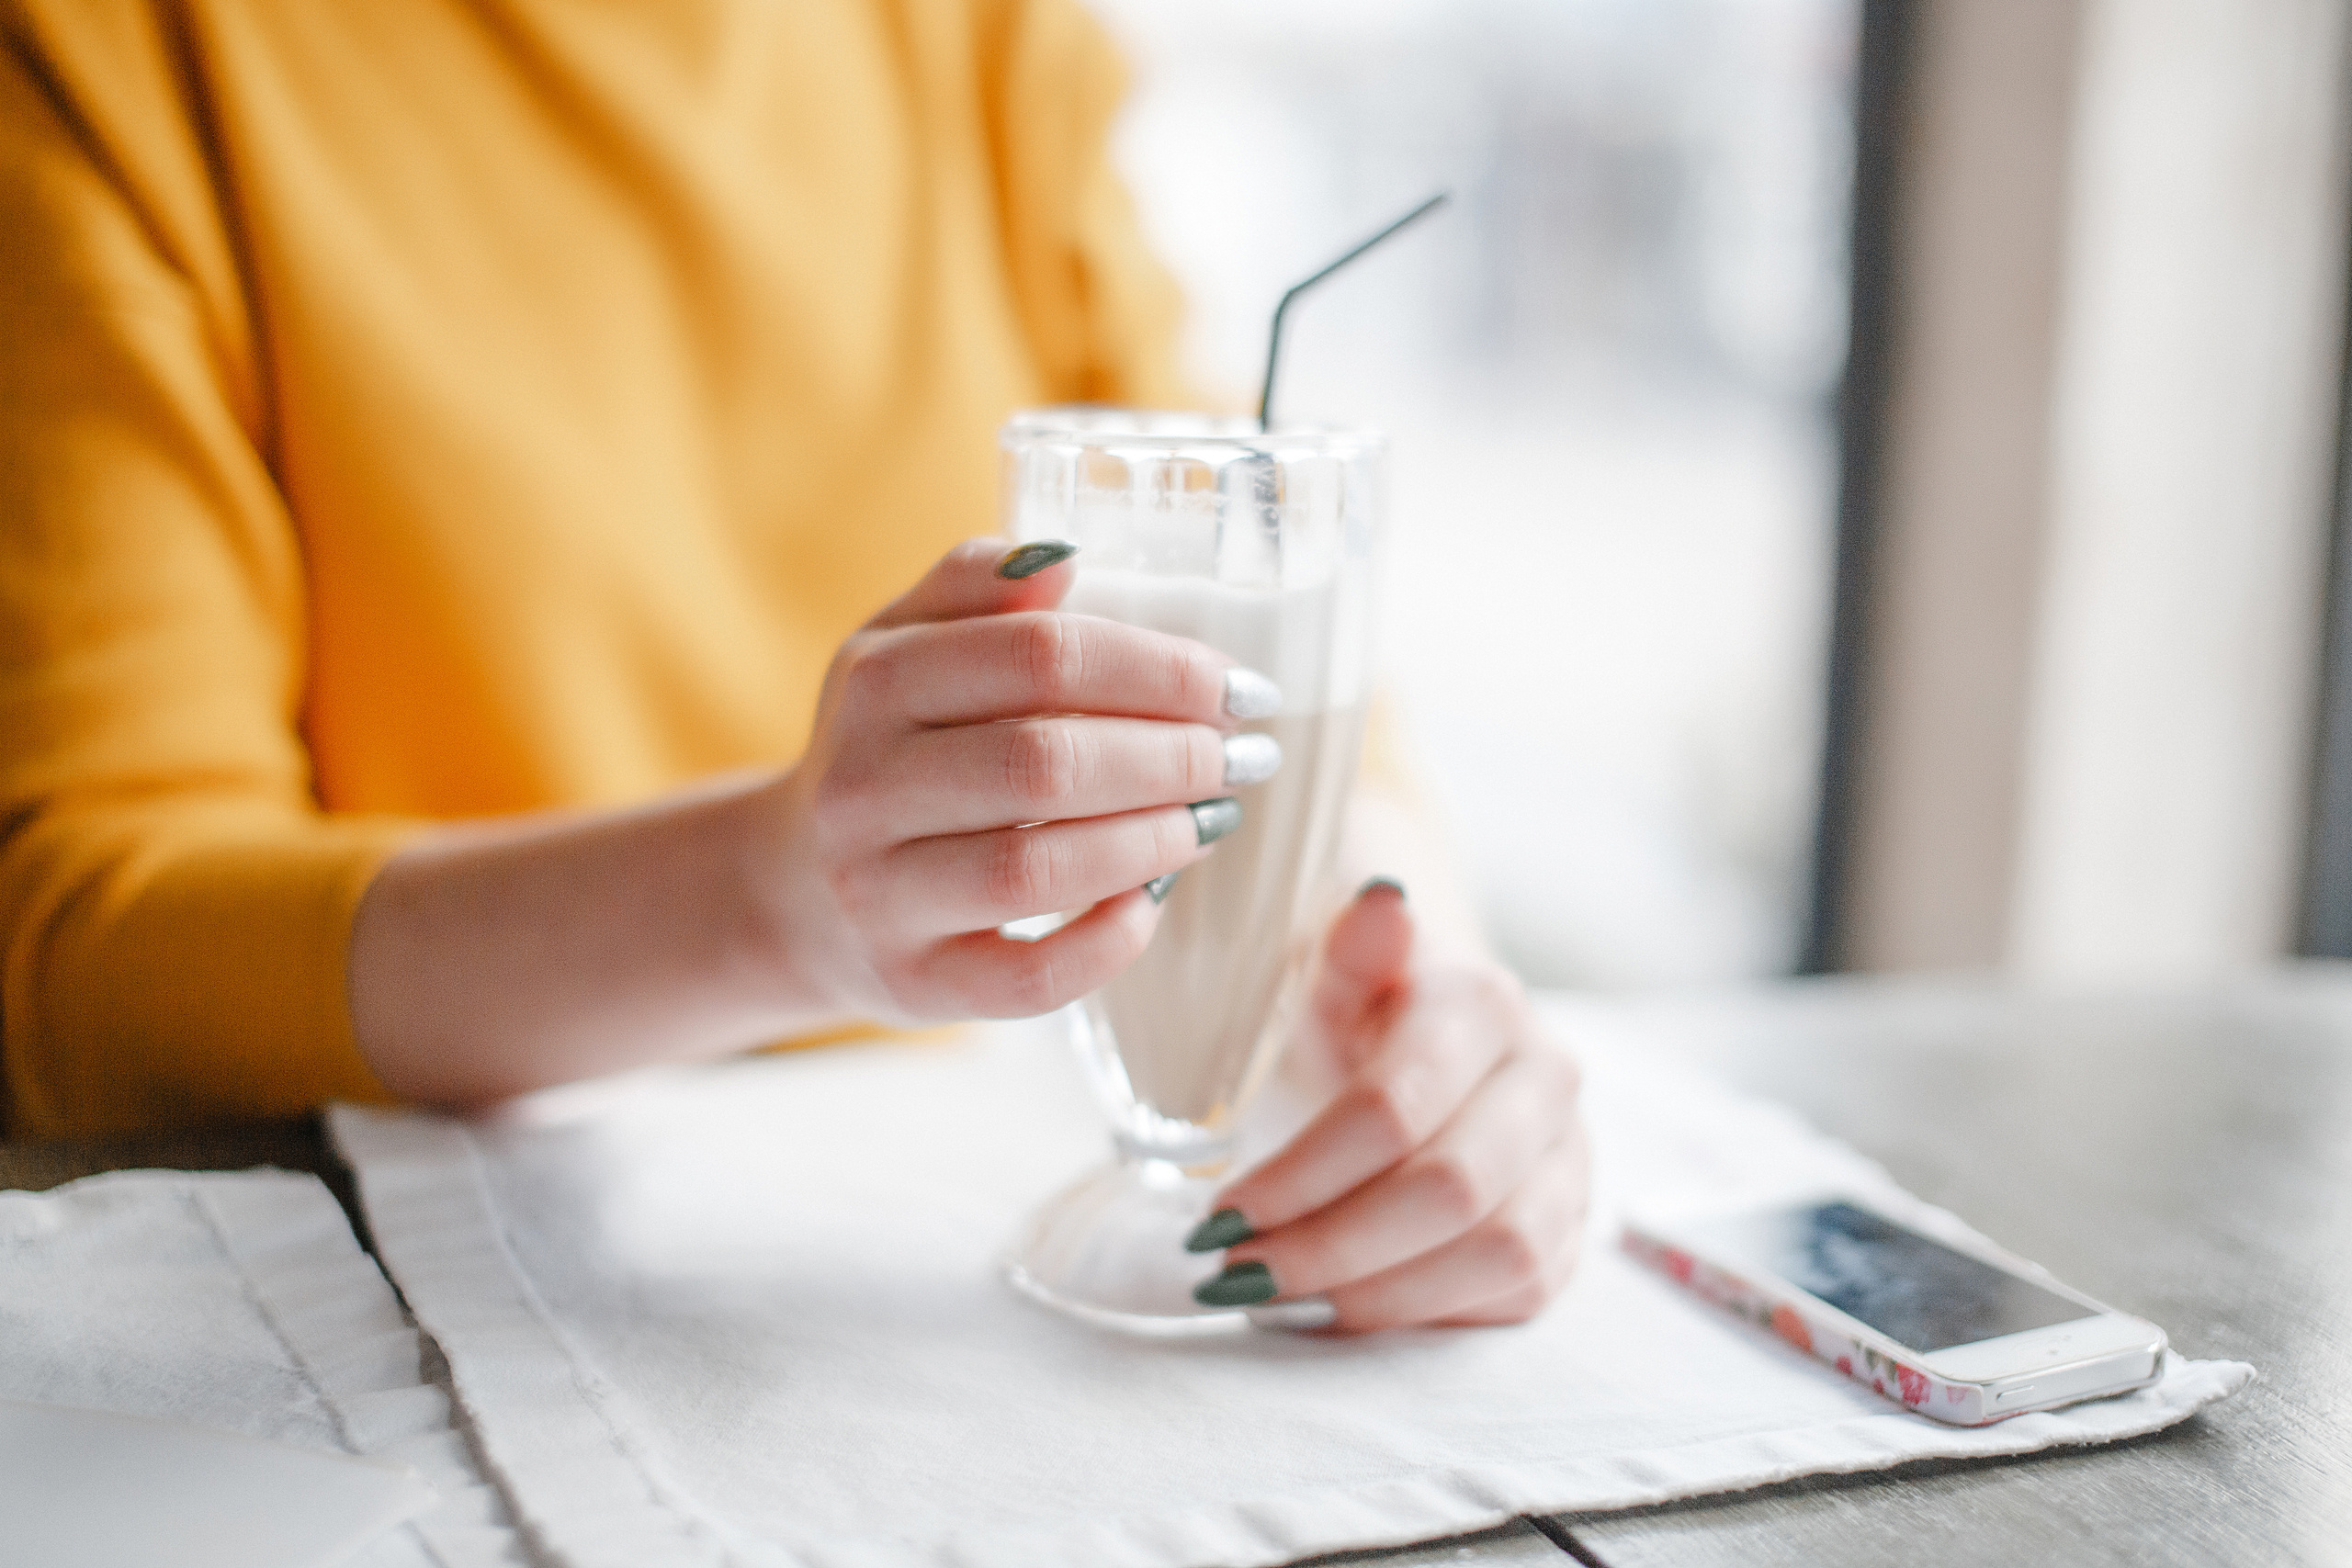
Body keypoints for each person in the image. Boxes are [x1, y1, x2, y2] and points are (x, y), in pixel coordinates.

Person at [0, 0, 1586, 1330]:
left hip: (919, 1269)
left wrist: (1412, 995)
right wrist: (767, 900)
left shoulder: (972, 29)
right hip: (408, 1305)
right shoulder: (121, 47)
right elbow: (88, 944)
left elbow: (1253, 595)